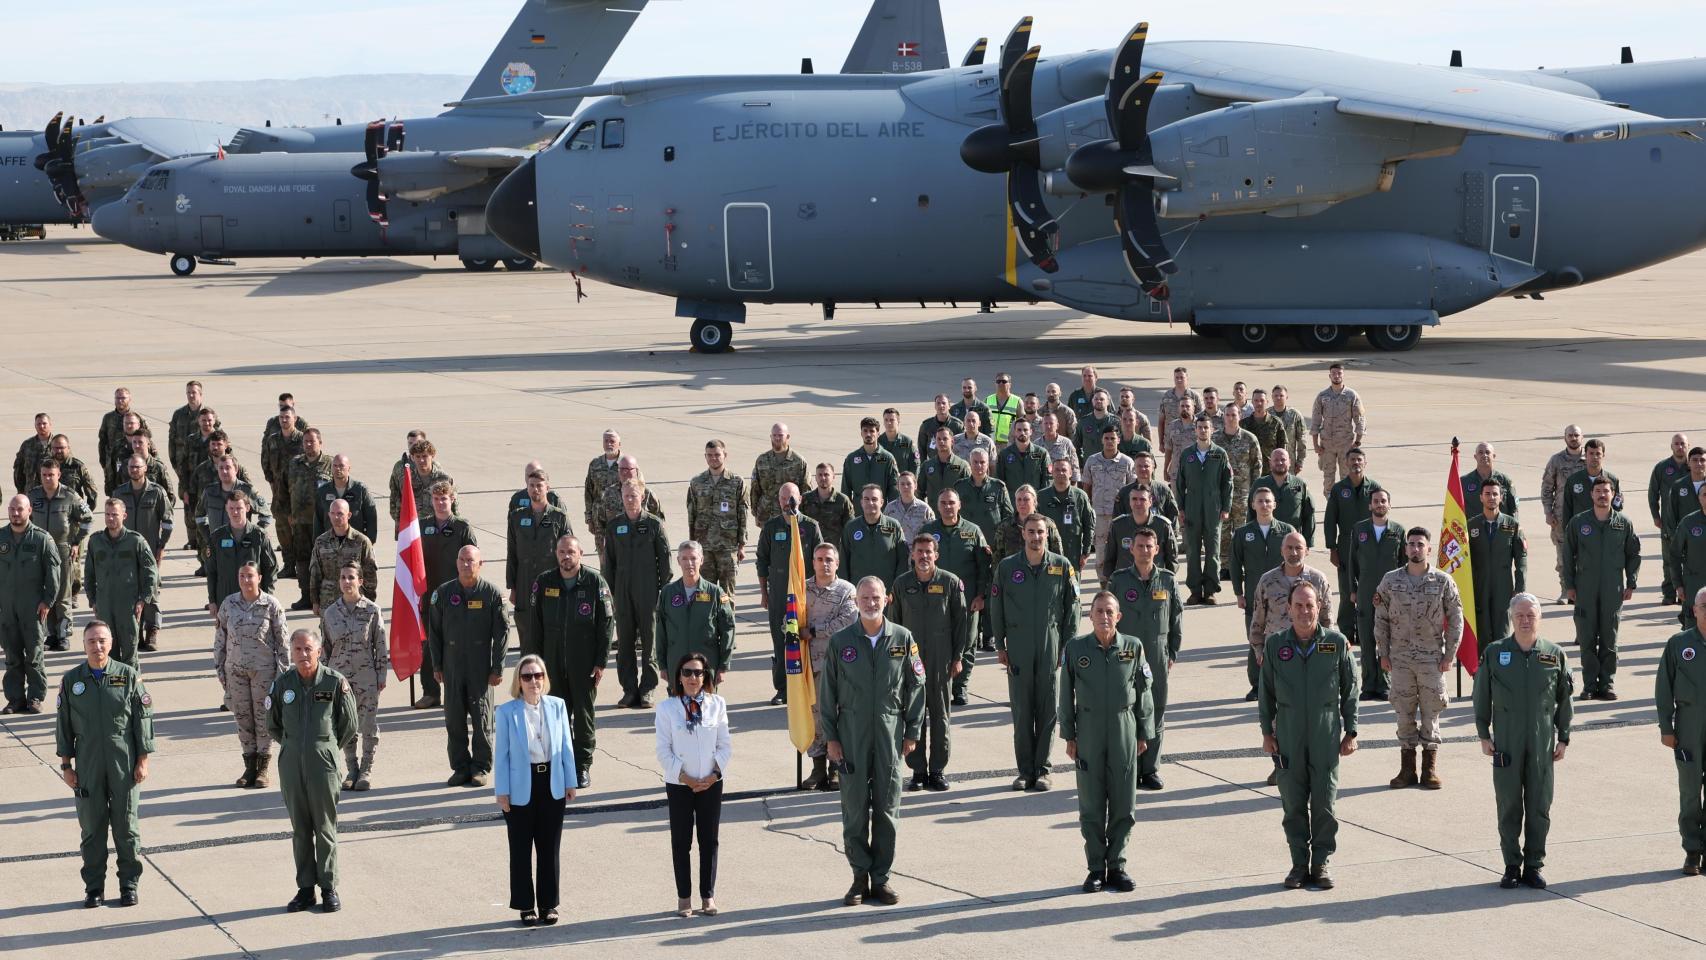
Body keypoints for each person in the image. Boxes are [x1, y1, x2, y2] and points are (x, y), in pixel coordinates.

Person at [820, 576, 925, 907]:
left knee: (886, 807)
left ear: (886, 600)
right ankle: (858, 878)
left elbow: (916, 686)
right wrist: (831, 738)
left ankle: (881, 879)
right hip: (851, 733)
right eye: (864, 597)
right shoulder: (841, 642)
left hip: (889, 732)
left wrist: (912, 731)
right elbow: (827, 695)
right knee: (854, 808)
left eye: (875, 597)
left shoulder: (903, 639)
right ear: (857, 601)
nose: (870, 602)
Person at [1259, 581, 1358, 890]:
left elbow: (1350, 690)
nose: (1304, 611)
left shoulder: (1337, 643)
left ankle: (1321, 863)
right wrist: (1266, 732)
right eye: (1298, 605)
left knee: (1325, 802)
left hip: (1325, 733)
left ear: (1319, 608)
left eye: (1310, 605)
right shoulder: (1276, 645)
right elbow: (1266, 693)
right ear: (1289, 608)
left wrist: (1351, 730)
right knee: (1293, 803)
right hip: (1288, 733)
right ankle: (1299, 865)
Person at [1473, 593, 1572, 890]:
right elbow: (1482, 697)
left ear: (1539, 618)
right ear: (1511, 618)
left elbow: (1564, 700)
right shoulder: (1495, 653)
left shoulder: (1553, 654)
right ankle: (1511, 866)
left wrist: (1563, 737)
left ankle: (1534, 865)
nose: (1525, 620)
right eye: (1520, 615)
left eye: (1531, 615)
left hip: (1542, 743)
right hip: (1506, 742)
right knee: (1509, 805)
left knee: (1540, 805)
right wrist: (1483, 734)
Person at [55, 620, 154, 908]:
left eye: (102, 641)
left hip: (123, 761)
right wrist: (66, 765)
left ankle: (128, 885)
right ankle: (94, 888)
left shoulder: (129, 676)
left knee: (126, 827)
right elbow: (63, 725)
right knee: (92, 829)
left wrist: (143, 760)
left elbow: (143, 720)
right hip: (87, 763)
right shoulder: (72, 681)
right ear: (83, 645)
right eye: (91, 641)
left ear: (110, 644)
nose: (97, 646)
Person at [1060, 591, 1154, 893]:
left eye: (1109, 612)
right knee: (1091, 802)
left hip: (1123, 726)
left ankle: (1117, 865)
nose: (1104, 617)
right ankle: (1096, 868)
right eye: (1098, 611)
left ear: (1119, 616)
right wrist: (1069, 735)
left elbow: (1144, 691)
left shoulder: (1133, 647)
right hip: (1088, 729)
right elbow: (1065, 694)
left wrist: (1143, 732)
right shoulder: (1076, 648)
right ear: (1090, 616)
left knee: (1124, 801)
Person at [268, 628, 358, 913]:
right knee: (300, 829)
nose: (303, 655)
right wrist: (296, 747)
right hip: (292, 762)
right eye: (297, 649)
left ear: (319, 651)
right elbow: (273, 724)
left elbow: (349, 725)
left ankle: (329, 887)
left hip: (324, 763)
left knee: (325, 826)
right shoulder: (283, 684)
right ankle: (305, 889)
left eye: (308, 649)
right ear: (291, 653)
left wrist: (325, 747)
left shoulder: (334, 683)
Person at [991, 513, 1079, 791]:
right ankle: (1024, 771)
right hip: (1018, 647)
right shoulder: (1007, 568)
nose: (1036, 537)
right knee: (1021, 711)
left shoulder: (1062, 566)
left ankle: (1042, 769)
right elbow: (997, 608)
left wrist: (1067, 644)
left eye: (1040, 532)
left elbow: (1072, 608)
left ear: (1047, 534)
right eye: (1031, 532)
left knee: (1047, 710)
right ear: (1023, 533)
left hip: (1050, 646)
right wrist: (1000, 645)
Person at [1374, 528, 1463, 790]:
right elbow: (1380, 619)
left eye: (1420, 544)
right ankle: (1407, 770)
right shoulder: (1390, 581)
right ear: (1405, 549)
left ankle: (1429, 769)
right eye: (1411, 544)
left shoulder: (1443, 581)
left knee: (1431, 712)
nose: (1415, 549)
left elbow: (1456, 619)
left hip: (1431, 659)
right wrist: (1384, 652)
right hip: (1400, 659)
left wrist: (1450, 655)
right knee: (1403, 712)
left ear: (1429, 549)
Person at [495, 654, 577, 927]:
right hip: (520, 787)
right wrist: (502, 791)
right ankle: (525, 906)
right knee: (520, 849)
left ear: (545, 679)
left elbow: (566, 745)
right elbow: (502, 756)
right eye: (527, 676)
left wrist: (570, 781)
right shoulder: (506, 712)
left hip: (550, 783)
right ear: (518, 681)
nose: (533, 681)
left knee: (549, 848)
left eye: (538, 675)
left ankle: (548, 904)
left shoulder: (557, 706)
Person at [529, 535, 613, 789]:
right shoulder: (544, 582)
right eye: (562, 552)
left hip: (584, 663)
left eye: (571, 552)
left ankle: (581, 766)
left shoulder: (594, 583)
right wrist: (535, 664)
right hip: (551, 664)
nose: (566, 556)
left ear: (581, 554)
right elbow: (535, 626)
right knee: (554, 719)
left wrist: (600, 661)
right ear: (556, 554)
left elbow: (606, 625)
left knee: (583, 718)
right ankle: (558, 765)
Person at [889, 534, 968, 791]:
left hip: (941, 659)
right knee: (913, 715)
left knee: (940, 716)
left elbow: (961, 624)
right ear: (912, 554)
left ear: (936, 555)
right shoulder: (902, 584)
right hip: (910, 661)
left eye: (928, 551)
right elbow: (894, 624)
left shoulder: (950, 583)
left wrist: (958, 657)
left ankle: (937, 770)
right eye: (919, 551)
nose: (923, 556)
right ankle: (918, 771)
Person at [655, 652, 730, 918]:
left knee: (709, 841)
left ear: (706, 676)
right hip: (680, 784)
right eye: (687, 672)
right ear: (678, 676)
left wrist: (713, 775)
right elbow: (663, 751)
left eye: (698, 673)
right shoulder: (667, 708)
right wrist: (685, 778)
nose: (692, 678)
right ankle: (684, 897)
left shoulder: (717, 704)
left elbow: (724, 746)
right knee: (681, 841)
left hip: (710, 783)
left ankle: (707, 895)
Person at [1105, 528, 1180, 790]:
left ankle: (1150, 769)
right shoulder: (1119, 580)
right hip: (1126, 657)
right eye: (1140, 546)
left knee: (1155, 711)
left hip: (1157, 657)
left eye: (1149, 546)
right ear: (1131, 549)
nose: (1145, 551)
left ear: (1157, 550)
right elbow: (1108, 620)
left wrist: (1172, 653)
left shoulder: (1168, 581)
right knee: (1126, 712)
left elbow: (1176, 620)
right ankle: (1129, 767)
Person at [428, 546, 508, 787]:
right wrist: (437, 664)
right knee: (454, 718)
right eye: (462, 560)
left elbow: (502, 634)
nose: (465, 564)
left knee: (482, 718)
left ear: (480, 564)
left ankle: (481, 767)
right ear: (456, 562)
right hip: (452, 666)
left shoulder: (491, 594)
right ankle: (460, 767)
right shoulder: (443, 593)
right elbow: (434, 632)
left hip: (480, 666)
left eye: (470, 561)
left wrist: (498, 668)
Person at [1560, 477, 1640, 700]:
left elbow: (1633, 554)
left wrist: (1631, 581)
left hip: (1612, 589)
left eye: (1606, 491)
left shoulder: (1623, 523)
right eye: (1598, 491)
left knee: (1609, 638)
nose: (1602, 495)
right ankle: (1589, 685)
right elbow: (1568, 556)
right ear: (1591, 494)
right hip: (1584, 589)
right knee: (1586, 638)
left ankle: (1607, 684)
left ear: (1613, 494)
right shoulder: (1578, 523)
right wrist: (1570, 586)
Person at [214, 562, 288, 789]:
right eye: (242, 576)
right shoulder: (229, 604)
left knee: (263, 719)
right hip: (235, 671)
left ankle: (263, 768)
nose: (246, 580)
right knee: (243, 719)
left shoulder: (271, 605)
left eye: (250, 576)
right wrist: (220, 668)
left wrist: (281, 675)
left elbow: (283, 642)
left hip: (264, 673)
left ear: (260, 578)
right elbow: (220, 638)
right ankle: (249, 765)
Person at [603, 481, 671, 708]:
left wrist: (662, 591)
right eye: (626, 495)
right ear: (621, 497)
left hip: (648, 591)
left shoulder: (654, 524)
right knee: (624, 643)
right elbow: (608, 563)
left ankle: (648, 689)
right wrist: (610, 593)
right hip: (622, 592)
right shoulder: (614, 526)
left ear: (642, 496)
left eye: (634, 495)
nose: (630, 499)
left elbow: (665, 562)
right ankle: (629, 690)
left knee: (650, 641)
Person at [322, 563, 388, 792]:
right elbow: (326, 649)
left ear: (360, 581)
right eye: (342, 577)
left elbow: (380, 646)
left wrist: (381, 675)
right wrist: (324, 678)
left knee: (368, 725)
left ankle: (366, 770)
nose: (346, 582)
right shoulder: (330, 613)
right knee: (346, 725)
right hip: (339, 680)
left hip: (366, 677)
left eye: (351, 577)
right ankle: (352, 769)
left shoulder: (371, 610)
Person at [755, 483, 822, 705]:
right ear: (779, 501)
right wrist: (764, 593)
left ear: (800, 499)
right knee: (781, 642)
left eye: (791, 498)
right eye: (784, 498)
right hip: (779, 598)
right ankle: (782, 689)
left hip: (806, 598)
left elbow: (820, 561)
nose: (788, 502)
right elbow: (762, 561)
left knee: (807, 640)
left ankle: (807, 685)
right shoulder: (772, 527)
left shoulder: (811, 527)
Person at [1655, 588, 1706, 876]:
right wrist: (1666, 727)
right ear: (1694, 610)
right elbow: (1664, 687)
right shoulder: (1679, 644)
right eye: (1704, 606)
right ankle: (1692, 850)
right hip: (1689, 725)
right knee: (1689, 791)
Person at [1231, 487, 1296, 700]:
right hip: (1254, 596)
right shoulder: (1242, 533)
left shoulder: (1287, 531)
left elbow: (1297, 561)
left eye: (1268, 501)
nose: (1265, 505)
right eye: (1260, 501)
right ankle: (1257, 684)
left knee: (1286, 639)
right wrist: (1239, 593)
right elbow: (1235, 563)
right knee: (1255, 639)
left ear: (1274, 504)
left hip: (1283, 596)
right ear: (1253, 505)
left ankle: (1285, 683)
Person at [803, 543, 858, 789]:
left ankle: (836, 766)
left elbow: (848, 620)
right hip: (809, 664)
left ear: (837, 563)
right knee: (815, 716)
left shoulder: (847, 590)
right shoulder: (801, 588)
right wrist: (793, 630)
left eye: (829, 559)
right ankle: (817, 769)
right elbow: (788, 620)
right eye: (819, 559)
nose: (824, 564)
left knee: (837, 714)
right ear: (812, 562)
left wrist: (814, 631)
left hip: (839, 664)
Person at [416, 480, 476, 709]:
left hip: (456, 597)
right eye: (436, 499)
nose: (440, 503)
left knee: (456, 645)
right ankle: (430, 692)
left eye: (445, 498)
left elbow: (473, 562)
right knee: (429, 645)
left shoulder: (462, 528)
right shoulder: (421, 526)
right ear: (431, 501)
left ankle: (459, 692)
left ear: (452, 500)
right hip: (429, 595)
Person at [508, 468, 574, 660]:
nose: (535, 489)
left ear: (547, 488)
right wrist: (512, 587)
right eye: (532, 486)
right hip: (524, 584)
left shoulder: (559, 517)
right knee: (527, 639)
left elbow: (569, 553)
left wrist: (569, 583)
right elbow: (512, 554)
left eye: (539, 485)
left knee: (552, 638)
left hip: (553, 584)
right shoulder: (517, 517)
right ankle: (527, 683)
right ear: (527, 489)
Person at [82, 499, 159, 666]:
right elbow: (89, 574)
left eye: (114, 515)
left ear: (124, 516)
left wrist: (143, 599)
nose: (110, 518)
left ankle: (132, 689)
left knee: (130, 654)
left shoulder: (135, 541)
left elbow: (151, 572)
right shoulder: (95, 541)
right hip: (105, 606)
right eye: (107, 514)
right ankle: (112, 689)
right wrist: (93, 600)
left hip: (128, 606)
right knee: (108, 654)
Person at [29, 457, 92, 650]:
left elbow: (87, 518)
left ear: (59, 475)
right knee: (45, 593)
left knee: (62, 594)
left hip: (62, 550)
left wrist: (76, 542)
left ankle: (64, 634)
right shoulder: (33, 495)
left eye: (51, 475)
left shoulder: (70, 496)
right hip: (39, 551)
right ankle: (51, 635)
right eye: (44, 475)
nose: (47, 479)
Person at [1348, 489, 1406, 700]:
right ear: (1370, 505)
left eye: (1383, 501)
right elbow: (1352, 563)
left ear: (1389, 505)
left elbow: (1403, 564)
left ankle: (1385, 684)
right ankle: (1368, 684)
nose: (1379, 504)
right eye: (1376, 501)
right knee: (1366, 640)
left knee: (1387, 641)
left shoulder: (1398, 531)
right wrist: (1353, 590)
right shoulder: (1360, 529)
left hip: (1391, 595)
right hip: (1365, 592)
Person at [655, 541, 736, 683]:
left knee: (705, 704)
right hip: (676, 664)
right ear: (678, 561)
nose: (689, 563)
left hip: (706, 665)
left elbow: (728, 630)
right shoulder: (668, 593)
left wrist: (723, 666)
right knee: (678, 704)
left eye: (693, 558)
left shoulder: (715, 593)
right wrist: (662, 665)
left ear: (702, 560)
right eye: (684, 558)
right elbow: (661, 631)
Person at [1324, 448, 1381, 648]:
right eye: (1353, 460)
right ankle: (1347, 632)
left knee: (1368, 590)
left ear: (1365, 463)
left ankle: (1371, 631)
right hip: (1346, 543)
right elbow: (1330, 519)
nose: (1356, 463)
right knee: (1348, 590)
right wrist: (1332, 547)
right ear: (1346, 463)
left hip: (1370, 545)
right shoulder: (1339, 489)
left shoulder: (1374, 488)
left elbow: (1382, 515)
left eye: (1359, 460)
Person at [116, 454, 172, 651]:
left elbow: (167, 522)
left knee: (151, 592)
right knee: (130, 592)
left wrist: (161, 546)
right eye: (131, 467)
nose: (134, 470)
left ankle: (152, 631)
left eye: (137, 467)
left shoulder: (156, 492)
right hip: (126, 551)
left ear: (145, 468)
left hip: (149, 552)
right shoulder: (120, 493)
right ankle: (136, 632)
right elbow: (113, 521)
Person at [1176, 414, 1231, 605]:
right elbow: (1179, 483)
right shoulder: (1187, 454)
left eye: (1206, 427)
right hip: (1191, 508)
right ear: (1195, 430)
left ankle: (1209, 590)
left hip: (1213, 508)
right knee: (1192, 551)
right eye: (1199, 427)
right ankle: (1194, 590)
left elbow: (1227, 483)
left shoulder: (1219, 454)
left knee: (1212, 551)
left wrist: (1226, 507)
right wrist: (1181, 508)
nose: (1203, 430)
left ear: (1212, 430)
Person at [1468, 480, 1527, 645]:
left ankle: (1501, 669)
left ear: (1501, 497)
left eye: (1495, 494)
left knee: (1502, 632)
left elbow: (1521, 558)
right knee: (1482, 633)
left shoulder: (1512, 525)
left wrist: (1520, 588)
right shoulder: (1471, 525)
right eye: (1487, 494)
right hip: (1479, 586)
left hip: (1503, 586)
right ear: (1481, 497)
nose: (1491, 497)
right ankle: (1480, 670)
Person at [687, 439, 747, 598]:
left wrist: (742, 544)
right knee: (704, 594)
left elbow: (743, 514)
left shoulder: (736, 482)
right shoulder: (697, 482)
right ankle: (706, 623)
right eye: (710, 455)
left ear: (725, 455)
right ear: (705, 457)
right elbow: (691, 514)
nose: (713, 458)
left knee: (727, 594)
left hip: (728, 548)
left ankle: (727, 623)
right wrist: (692, 544)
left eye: (717, 455)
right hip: (704, 547)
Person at [282, 429, 334, 611]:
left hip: (323, 523)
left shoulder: (330, 464)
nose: (308, 445)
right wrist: (287, 512)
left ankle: (325, 595)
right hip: (299, 522)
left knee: (324, 559)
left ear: (320, 442)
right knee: (302, 560)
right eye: (305, 441)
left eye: (312, 441)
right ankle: (306, 596)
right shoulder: (294, 463)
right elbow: (282, 489)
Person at [204, 491, 280, 615]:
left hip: (254, 601)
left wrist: (267, 597)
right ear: (226, 509)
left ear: (248, 508)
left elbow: (270, 569)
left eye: (239, 508)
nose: (235, 512)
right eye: (231, 508)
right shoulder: (217, 537)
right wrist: (212, 601)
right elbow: (211, 571)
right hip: (225, 600)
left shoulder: (259, 536)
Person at [1539, 425, 1586, 603]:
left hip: (1585, 517)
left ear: (1582, 437)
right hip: (1561, 518)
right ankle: (1566, 591)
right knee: (1563, 556)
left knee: (1585, 556)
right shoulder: (1556, 461)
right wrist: (1548, 512)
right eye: (1570, 435)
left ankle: (1583, 591)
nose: (1573, 438)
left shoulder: (1589, 458)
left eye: (1576, 435)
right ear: (1564, 438)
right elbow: (1546, 488)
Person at [307, 499, 378, 615]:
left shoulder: (362, 541)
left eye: (340, 513)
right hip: (328, 604)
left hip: (355, 603)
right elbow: (315, 573)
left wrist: (369, 601)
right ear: (329, 515)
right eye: (333, 514)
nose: (335, 517)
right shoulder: (321, 542)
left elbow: (370, 575)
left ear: (349, 515)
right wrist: (315, 601)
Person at [1215, 406, 1263, 576]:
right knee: (1224, 533)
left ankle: (1245, 565)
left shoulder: (1249, 439)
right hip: (1222, 495)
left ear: (1240, 416)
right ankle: (1226, 567)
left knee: (1245, 533)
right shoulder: (1215, 439)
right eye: (1227, 415)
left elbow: (1257, 466)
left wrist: (1255, 493)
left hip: (1244, 494)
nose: (1230, 418)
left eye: (1233, 415)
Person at [1100, 485, 1178, 580]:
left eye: (1142, 499)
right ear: (1129, 502)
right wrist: (1112, 582)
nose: (1138, 503)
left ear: (1150, 501)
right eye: (1134, 499)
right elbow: (1109, 558)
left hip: (1154, 581)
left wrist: (1167, 580)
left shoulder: (1163, 525)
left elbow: (1172, 558)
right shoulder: (1118, 526)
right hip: (1125, 582)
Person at [840, 485, 908, 590]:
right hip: (858, 593)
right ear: (861, 502)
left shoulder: (894, 526)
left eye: (874, 499)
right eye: (866, 499)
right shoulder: (851, 527)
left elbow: (903, 561)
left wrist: (897, 589)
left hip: (887, 593)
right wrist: (846, 590)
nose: (870, 503)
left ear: (881, 502)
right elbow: (843, 562)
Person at [1310, 363, 1366, 489]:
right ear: (1329, 375)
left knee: (1346, 477)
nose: (1336, 376)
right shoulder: (1322, 396)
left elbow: (1360, 420)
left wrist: (1357, 442)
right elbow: (1315, 421)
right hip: (1327, 445)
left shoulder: (1352, 395)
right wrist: (1315, 445)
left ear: (1343, 375)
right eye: (1334, 373)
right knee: (1328, 477)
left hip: (1346, 444)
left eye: (1339, 373)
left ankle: (1346, 504)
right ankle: (1330, 504)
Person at [1037, 455, 1095, 574]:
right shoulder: (1042, 497)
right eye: (1057, 470)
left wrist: (1086, 552)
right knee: (1052, 587)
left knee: (1072, 588)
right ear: (1051, 472)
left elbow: (1089, 525)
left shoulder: (1080, 496)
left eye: (1064, 470)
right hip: (1049, 555)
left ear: (1070, 473)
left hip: (1073, 555)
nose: (1060, 473)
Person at [1248, 448, 1316, 545]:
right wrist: (1251, 539)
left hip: (1292, 542)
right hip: (1264, 540)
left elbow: (1309, 515)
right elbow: (1251, 513)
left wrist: (1307, 543)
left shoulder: (1300, 484)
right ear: (1270, 463)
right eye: (1275, 460)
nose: (1279, 462)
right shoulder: (1259, 484)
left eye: (1283, 460)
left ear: (1290, 462)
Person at [751, 423, 808, 528]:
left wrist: (802, 516)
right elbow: (755, 489)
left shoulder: (799, 461)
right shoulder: (762, 460)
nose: (777, 438)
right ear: (771, 437)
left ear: (788, 436)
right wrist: (755, 513)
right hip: (766, 516)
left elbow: (805, 490)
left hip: (790, 516)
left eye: (780, 435)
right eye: (774, 435)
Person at [312, 454, 378, 545]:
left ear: (349, 468)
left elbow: (371, 518)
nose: (338, 469)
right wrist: (318, 543)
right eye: (335, 466)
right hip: (329, 545)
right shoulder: (323, 491)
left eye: (341, 466)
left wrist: (369, 542)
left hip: (355, 544)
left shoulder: (360, 490)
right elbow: (318, 521)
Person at [802, 462, 855, 547]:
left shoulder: (842, 500)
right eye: (820, 475)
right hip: (810, 550)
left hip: (833, 551)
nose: (823, 478)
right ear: (815, 478)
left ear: (833, 477)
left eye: (826, 474)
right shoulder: (805, 499)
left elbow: (850, 528)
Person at [584, 429, 624, 535]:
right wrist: (589, 518)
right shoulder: (595, 464)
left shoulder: (626, 464)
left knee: (620, 550)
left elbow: (638, 491)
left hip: (621, 518)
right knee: (602, 551)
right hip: (599, 520)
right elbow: (588, 491)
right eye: (606, 441)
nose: (609, 444)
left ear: (619, 444)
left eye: (612, 441)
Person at [883, 471, 934, 542]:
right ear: (898, 487)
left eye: (909, 484)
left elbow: (932, 532)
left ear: (915, 486)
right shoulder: (890, 508)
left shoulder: (925, 509)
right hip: (895, 551)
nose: (905, 487)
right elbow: (884, 532)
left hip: (917, 551)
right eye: (902, 484)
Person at [1270, 385, 1309, 473]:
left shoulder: (1295, 415)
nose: (1278, 398)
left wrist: (1300, 462)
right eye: (1276, 396)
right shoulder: (1267, 415)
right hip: (1271, 462)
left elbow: (1302, 440)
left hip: (1288, 462)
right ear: (1272, 397)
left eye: (1281, 395)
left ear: (1286, 397)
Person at [985, 372, 1022, 444]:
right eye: (998, 382)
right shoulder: (987, 400)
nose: (1001, 384)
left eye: (1004, 382)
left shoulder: (1017, 401)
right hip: (990, 442)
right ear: (995, 384)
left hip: (1009, 444)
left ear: (1010, 385)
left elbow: (1022, 423)